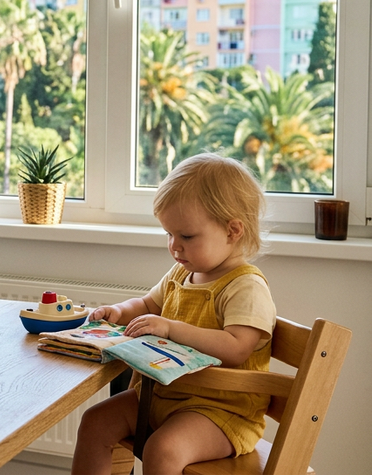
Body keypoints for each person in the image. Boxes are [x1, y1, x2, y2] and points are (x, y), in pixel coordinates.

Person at [71, 153, 277, 474]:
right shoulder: (181, 274)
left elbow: (237, 348)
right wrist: (118, 311)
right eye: (169, 234)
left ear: (232, 230)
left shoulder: (245, 286)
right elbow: (148, 305)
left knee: (163, 450)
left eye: (187, 236)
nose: (174, 246)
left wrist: (171, 328)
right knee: (95, 422)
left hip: (220, 412)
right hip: (163, 397)